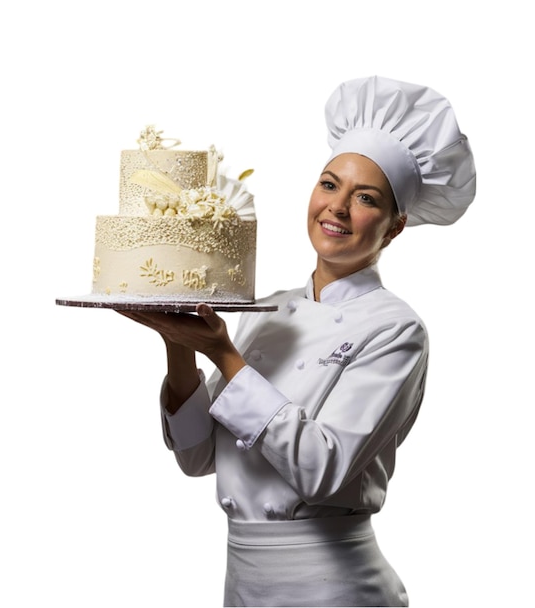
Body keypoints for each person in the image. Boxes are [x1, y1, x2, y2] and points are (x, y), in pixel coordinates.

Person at [119, 76, 476, 607]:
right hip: (243, 581)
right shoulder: (267, 310)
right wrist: (180, 345)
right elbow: (196, 458)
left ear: (395, 227)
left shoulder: (396, 330)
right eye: (329, 185)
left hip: (333, 586)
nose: (338, 207)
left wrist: (224, 353)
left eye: (366, 198)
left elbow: (323, 470)